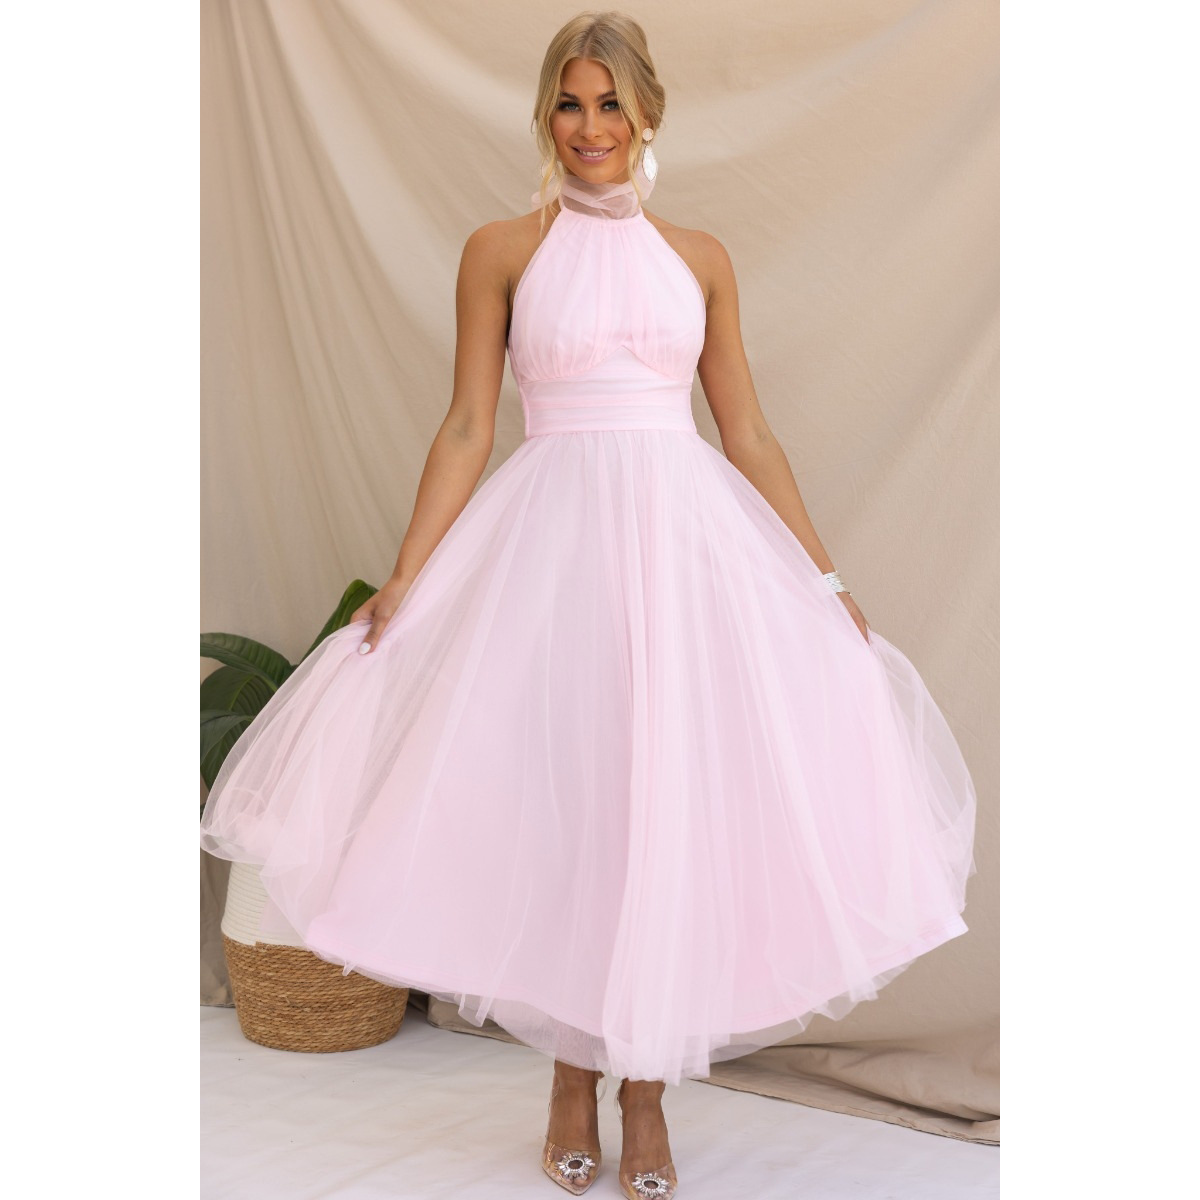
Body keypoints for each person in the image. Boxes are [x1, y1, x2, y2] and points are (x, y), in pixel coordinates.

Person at [200, 12, 977, 1199]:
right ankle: (571, 1079)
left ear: (648, 114)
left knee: (665, 811)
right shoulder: (501, 250)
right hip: (552, 555)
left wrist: (824, 580)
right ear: (545, 114)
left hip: (682, 556)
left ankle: (646, 1095)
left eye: (611, 103)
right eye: (569, 102)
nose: (590, 126)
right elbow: (469, 425)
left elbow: (747, 432)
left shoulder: (700, 258)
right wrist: (407, 572)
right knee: (571, 810)